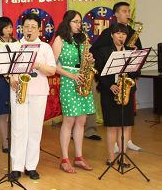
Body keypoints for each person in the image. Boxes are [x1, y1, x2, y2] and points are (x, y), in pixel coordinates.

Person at [9, 13, 56, 181]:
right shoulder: (14, 46)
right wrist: (12, 80)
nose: (29, 30)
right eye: (26, 27)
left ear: (39, 29)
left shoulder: (45, 48)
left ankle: (31, 166)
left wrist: (37, 64)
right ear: (21, 28)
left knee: (35, 130)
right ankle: (16, 167)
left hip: (38, 91)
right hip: (19, 91)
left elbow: (52, 70)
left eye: (33, 27)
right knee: (18, 129)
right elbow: (7, 69)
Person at [90, 1, 142, 151]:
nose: (127, 14)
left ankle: (127, 141)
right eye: (124, 11)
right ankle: (113, 144)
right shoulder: (108, 33)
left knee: (127, 118)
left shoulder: (132, 32)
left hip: (126, 80)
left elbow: (138, 55)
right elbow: (97, 53)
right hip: (110, 82)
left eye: (128, 11)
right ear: (116, 14)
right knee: (113, 120)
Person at [52, 11, 95, 173]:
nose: (79, 24)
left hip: (83, 80)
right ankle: (64, 159)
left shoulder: (82, 40)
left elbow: (85, 59)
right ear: (67, 22)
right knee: (69, 121)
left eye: (80, 22)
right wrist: (71, 75)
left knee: (81, 121)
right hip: (69, 82)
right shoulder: (59, 39)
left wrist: (90, 59)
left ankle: (78, 157)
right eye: (75, 21)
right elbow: (53, 65)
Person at [94, 24, 140, 166]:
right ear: (112, 35)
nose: (121, 36)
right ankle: (110, 158)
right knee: (112, 126)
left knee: (126, 126)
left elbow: (136, 73)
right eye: (118, 33)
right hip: (110, 92)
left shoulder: (131, 51)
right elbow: (99, 72)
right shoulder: (103, 51)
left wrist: (136, 60)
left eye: (124, 34)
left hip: (126, 91)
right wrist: (110, 85)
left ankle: (123, 157)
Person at [0, 17, 17, 154]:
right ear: (0, 29)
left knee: (16, 112)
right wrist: (8, 77)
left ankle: (16, 140)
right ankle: (5, 143)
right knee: (3, 114)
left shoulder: (16, 42)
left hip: (16, 81)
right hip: (0, 81)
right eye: (6, 27)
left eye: (10, 27)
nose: (9, 30)